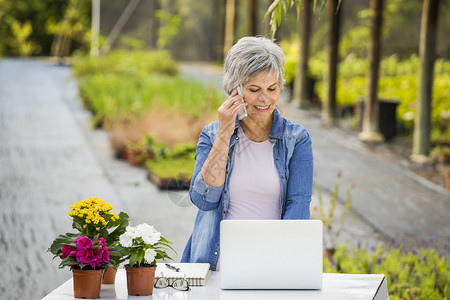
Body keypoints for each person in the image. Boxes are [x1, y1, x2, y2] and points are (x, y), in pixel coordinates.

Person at [181, 36, 313, 270]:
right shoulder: (212, 135)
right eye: (254, 89)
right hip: (214, 267)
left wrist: (282, 266)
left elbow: (298, 208)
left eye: (272, 89)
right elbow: (204, 199)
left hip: (270, 267)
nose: (265, 98)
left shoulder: (297, 139)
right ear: (235, 89)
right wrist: (224, 133)